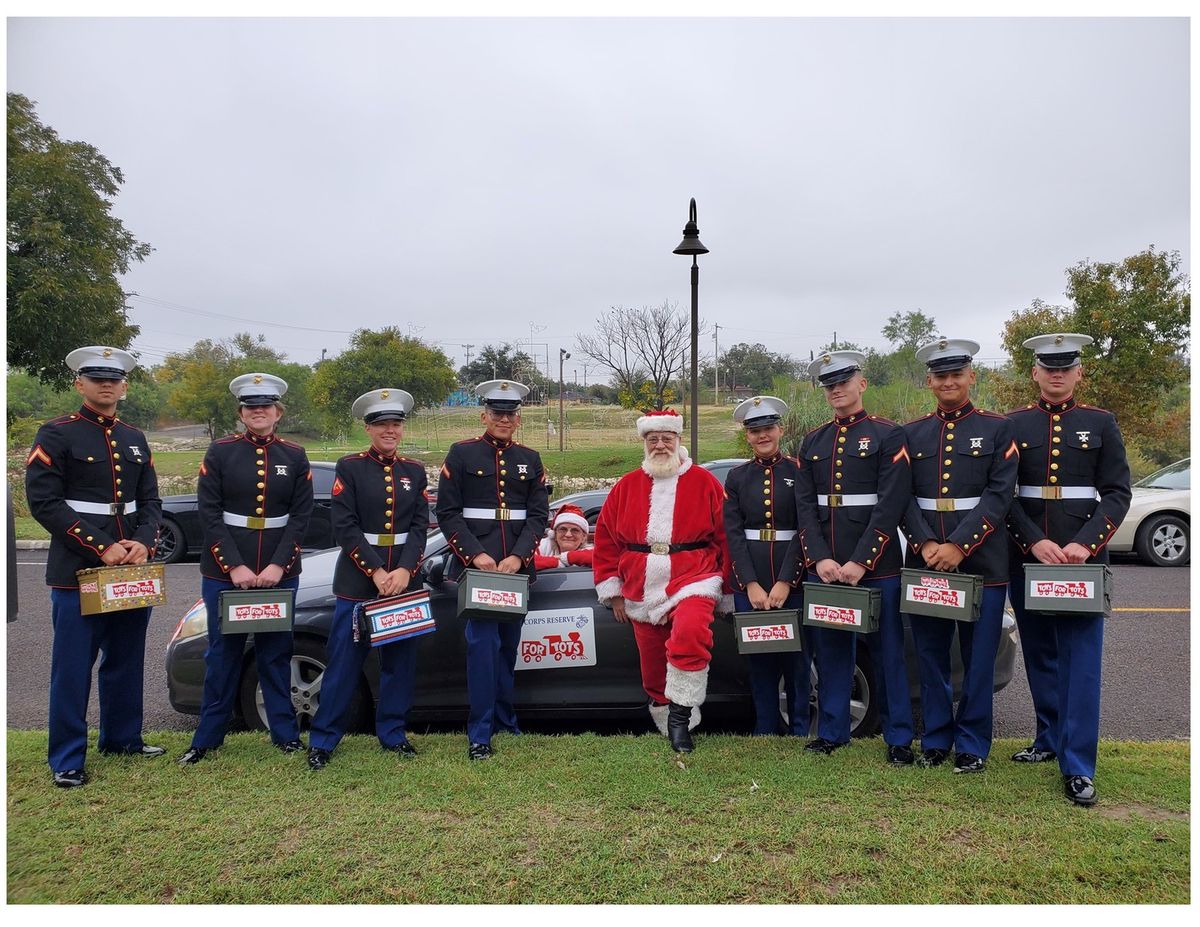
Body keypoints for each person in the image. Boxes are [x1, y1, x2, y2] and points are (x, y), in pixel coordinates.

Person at [25, 346, 164, 788]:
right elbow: (44, 503)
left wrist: (143, 542)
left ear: (124, 386)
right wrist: (102, 547)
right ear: (79, 383)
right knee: (72, 666)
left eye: (115, 378)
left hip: (130, 569)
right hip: (79, 570)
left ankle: (123, 738)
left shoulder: (134, 438)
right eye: (97, 377)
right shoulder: (56, 434)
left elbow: (152, 501)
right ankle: (67, 757)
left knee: (126, 657)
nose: (107, 385)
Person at [1005, 333, 1131, 806]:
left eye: (1065, 367)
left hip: (1082, 562)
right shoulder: (1014, 424)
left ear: (1079, 373)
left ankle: (1078, 766)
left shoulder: (1100, 422)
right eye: (1047, 367)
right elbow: (1006, 495)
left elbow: (1117, 492)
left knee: (1080, 662)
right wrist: (1033, 541)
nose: (1056, 375)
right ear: (1035, 373)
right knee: (1039, 653)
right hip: (1029, 558)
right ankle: (1048, 737)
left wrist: (1084, 545)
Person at [178, 374, 314, 765]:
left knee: (276, 653)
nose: (259, 412)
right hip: (225, 573)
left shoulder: (294, 455)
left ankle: (285, 734)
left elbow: (301, 517)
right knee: (222, 655)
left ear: (278, 413)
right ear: (241, 413)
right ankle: (207, 738)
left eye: (266, 406)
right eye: (251, 406)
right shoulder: (220, 452)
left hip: (279, 571)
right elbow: (209, 513)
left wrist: (277, 565)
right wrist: (234, 565)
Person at [899, 338, 1019, 773]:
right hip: (927, 561)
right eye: (940, 375)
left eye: (956, 374)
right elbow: (902, 496)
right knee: (930, 655)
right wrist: (928, 545)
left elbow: (1000, 494)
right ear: (929, 381)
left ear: (972, 376)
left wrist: (958, 546)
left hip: (982, 564)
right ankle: (935, 739)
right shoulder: (911, 434)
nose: (948, 382)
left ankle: (971, 744)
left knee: (978, 659)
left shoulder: (997, 428)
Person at [795, 354, 914, 762]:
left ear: (862, 384)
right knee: (830, 652)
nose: (836, 390)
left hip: (877, 566)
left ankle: (898, 738)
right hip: (827, 568)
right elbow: (805, 508)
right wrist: (820, 559)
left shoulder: (887, 434)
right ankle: (832, 732)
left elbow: (891, 503)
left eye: (844, 381)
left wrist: (862, 560)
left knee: (888, 653)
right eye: (829, 385)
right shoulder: (812, 441)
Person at [593, 409, 729, 753]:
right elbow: (606, 540)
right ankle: (664, 713)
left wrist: (728, 588)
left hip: (694, 575)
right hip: (640, 582)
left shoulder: (705, 482)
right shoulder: (625, 485)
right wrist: (613, 591)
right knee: (652, 662)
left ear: (678, 440)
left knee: (691, 631)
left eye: (667, 438)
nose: (660, 445)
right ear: (644, 443)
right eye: (653, 439)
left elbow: (726, 537)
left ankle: (682, 718)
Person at [307, 389, 429, 770]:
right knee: (344, 664)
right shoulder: (351, 467)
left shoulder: (414, 470)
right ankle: (324, 739)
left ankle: (392, 734)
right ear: (368, 428)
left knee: (399, 663)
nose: (390, 430)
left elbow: (421, 526)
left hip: (402, 582)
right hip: (359, 584)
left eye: (396, 424)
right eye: (382, 425)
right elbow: (345, 526)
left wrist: (405, 570)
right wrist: (376, 571)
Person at [435, 380, 549, 761]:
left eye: (510, 413)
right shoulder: (462, 454)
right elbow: (448, 513)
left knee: (506, 651)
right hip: (478, 570)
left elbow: (537, 516)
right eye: (497, 413)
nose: (503, 419)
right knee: (482, 649)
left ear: (518, 419)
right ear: (484, 415)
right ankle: (480, 733)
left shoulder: (530, 459)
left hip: (514, 570)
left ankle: (506, 722)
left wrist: (517, 558)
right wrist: (476, 556)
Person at [722, 396, 807, 737]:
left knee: (798, 659)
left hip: (792, 576)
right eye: (754, 431)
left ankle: (801, 727)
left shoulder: (799, 471)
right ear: (747, 436)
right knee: (760, 659)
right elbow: (733, 534)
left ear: (780, 430)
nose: (762, 436)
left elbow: (807, 529)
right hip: (752, 577)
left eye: (768, 428)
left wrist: (787, 581)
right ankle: (765, 729)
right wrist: (750, 584)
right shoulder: (737, 476)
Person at [533, 504, 593, 571]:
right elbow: (527, 561)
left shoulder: (588, 550)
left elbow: (600, 557)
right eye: (563, 529)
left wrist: (567, 558)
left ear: (583, 537)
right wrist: (556, 562)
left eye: (575, 530)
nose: (568, 534)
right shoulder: (543, 545)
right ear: (555, 534)